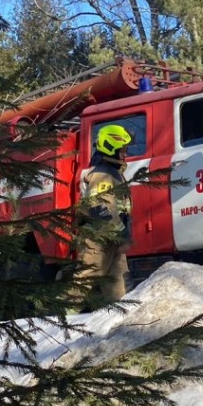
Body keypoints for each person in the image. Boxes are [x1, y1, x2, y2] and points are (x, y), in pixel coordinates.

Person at [78, 124, 133, 308]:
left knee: (117, 289)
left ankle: (117, 324)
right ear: (111, 147)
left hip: (112, 240)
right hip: (98, 241)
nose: (125, 153)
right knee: (83, 283)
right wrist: (120, 233)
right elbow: (100, 208)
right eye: (123, 149)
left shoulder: (115, 172)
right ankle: (59, 322)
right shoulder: (102, 174)